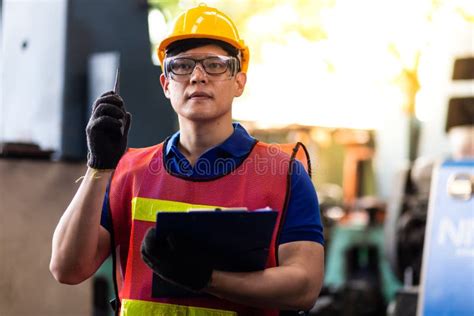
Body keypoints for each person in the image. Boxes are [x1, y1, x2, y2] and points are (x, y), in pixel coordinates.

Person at [50, 4, 324, 315]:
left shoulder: (283, 173)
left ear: (239, 82)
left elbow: (305, 287)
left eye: (215, 65)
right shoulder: (127, 172)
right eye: (181, 66)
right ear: (166, 85)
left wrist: (206, 279)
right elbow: (66, 268)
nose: (197, 76)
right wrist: (97, 167)